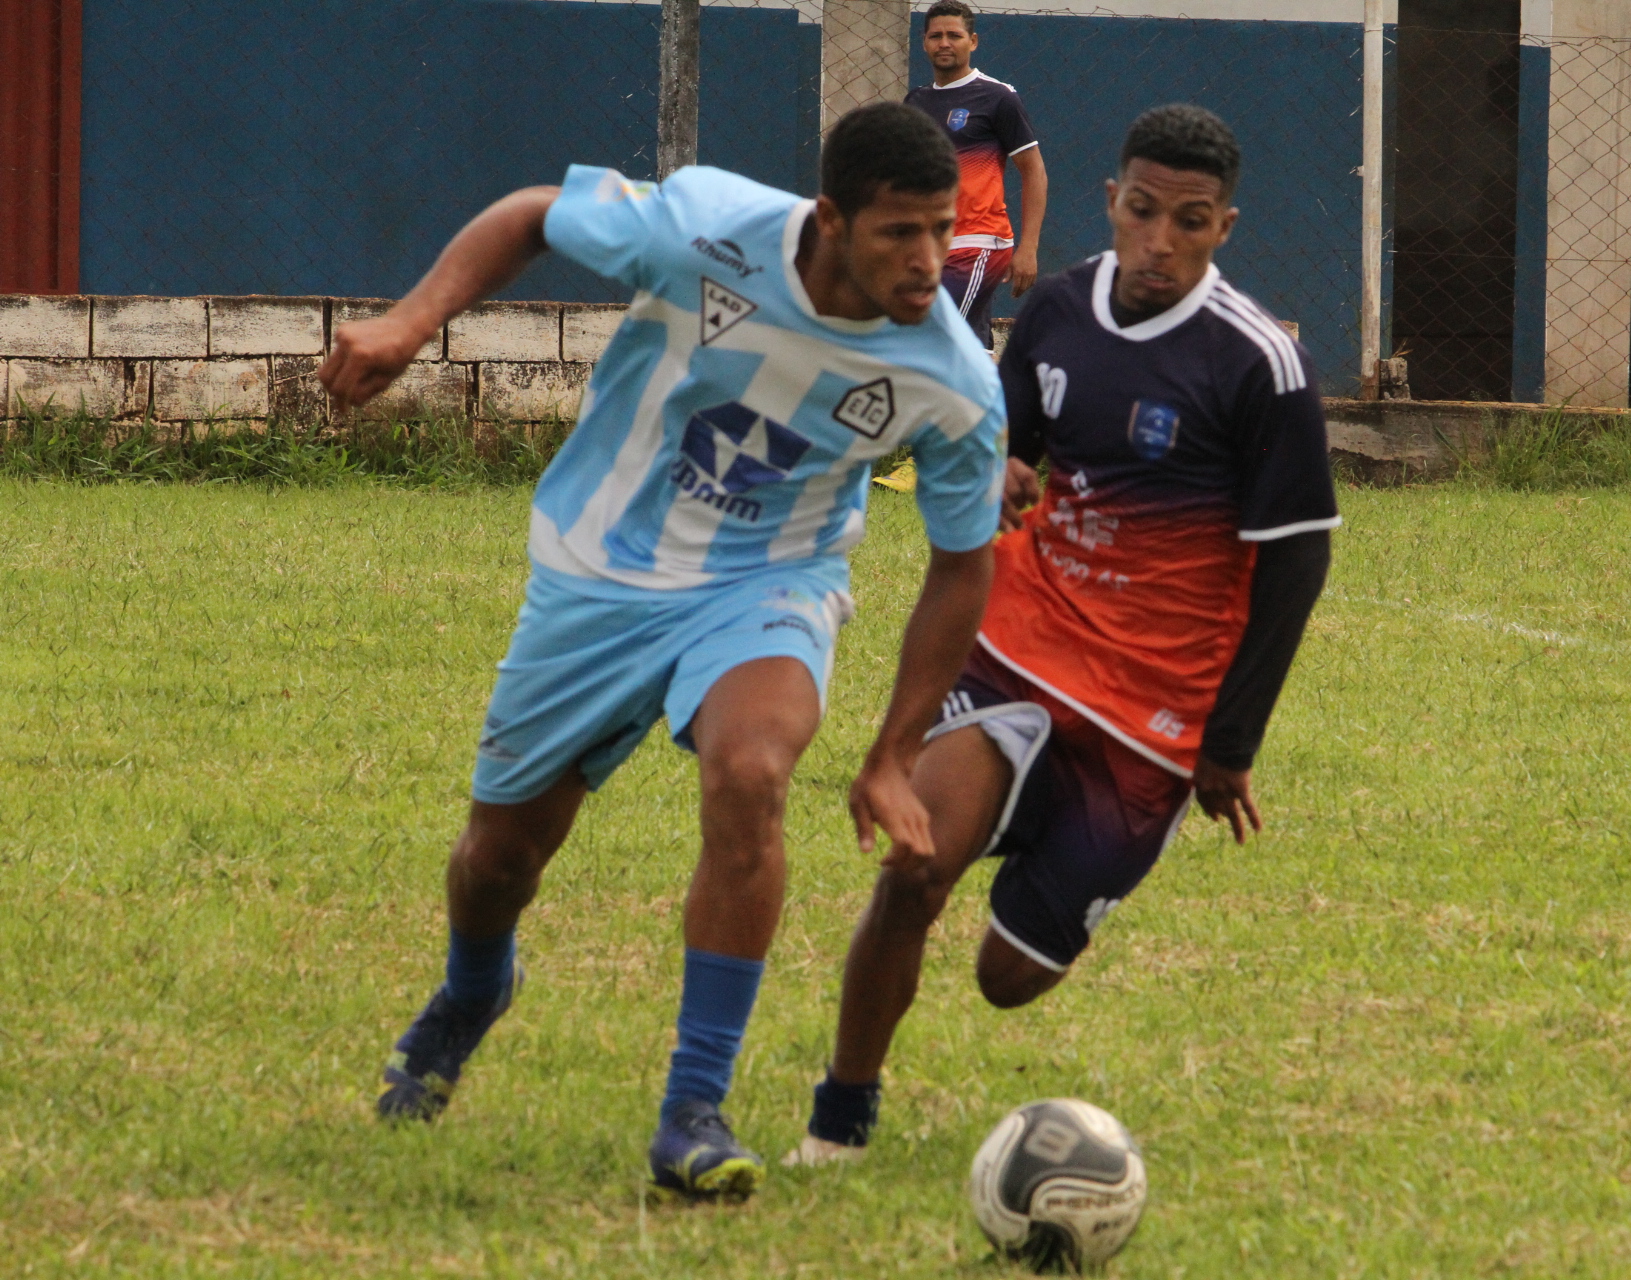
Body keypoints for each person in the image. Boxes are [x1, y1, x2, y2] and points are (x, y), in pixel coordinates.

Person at [315, 102, 1006, 1204]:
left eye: (944, 231)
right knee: (499, 859)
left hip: (767, 585)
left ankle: (695, 1105)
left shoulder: (956, 382)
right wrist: (409, 324)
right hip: (597, 568)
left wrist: (893, 749)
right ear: (830, 220)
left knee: (753, 772)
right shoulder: (706, 229)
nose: (930, 261)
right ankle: (472, 989)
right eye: (899, 234)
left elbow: (964, 565)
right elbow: (535, 214)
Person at [789, 104, 1339, 1165]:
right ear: (1113, 201)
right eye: (1142, 211)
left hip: (1150, 715)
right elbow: (1005, 440)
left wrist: (1229, 745)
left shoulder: (1259, 365)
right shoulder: (1054, 311)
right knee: (911, 874)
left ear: (1224, 226)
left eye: (1189, 221)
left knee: (1008, 977)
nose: (1159, 243)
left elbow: (1296, 566)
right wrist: (1001, 467)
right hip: (1021, 649)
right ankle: (839, 1119)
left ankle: (1060, 833)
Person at [904, 0, 1049, 349]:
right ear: (924, 42)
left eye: (954, 35)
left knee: (936, 337)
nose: (944, 43)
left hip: (979, 243)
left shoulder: (998, 97)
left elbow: (1034, 172)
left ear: (973, 41)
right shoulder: (915, 102)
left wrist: (1028, 248)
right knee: (969, 347)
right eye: (936, 36)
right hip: (930, 245)